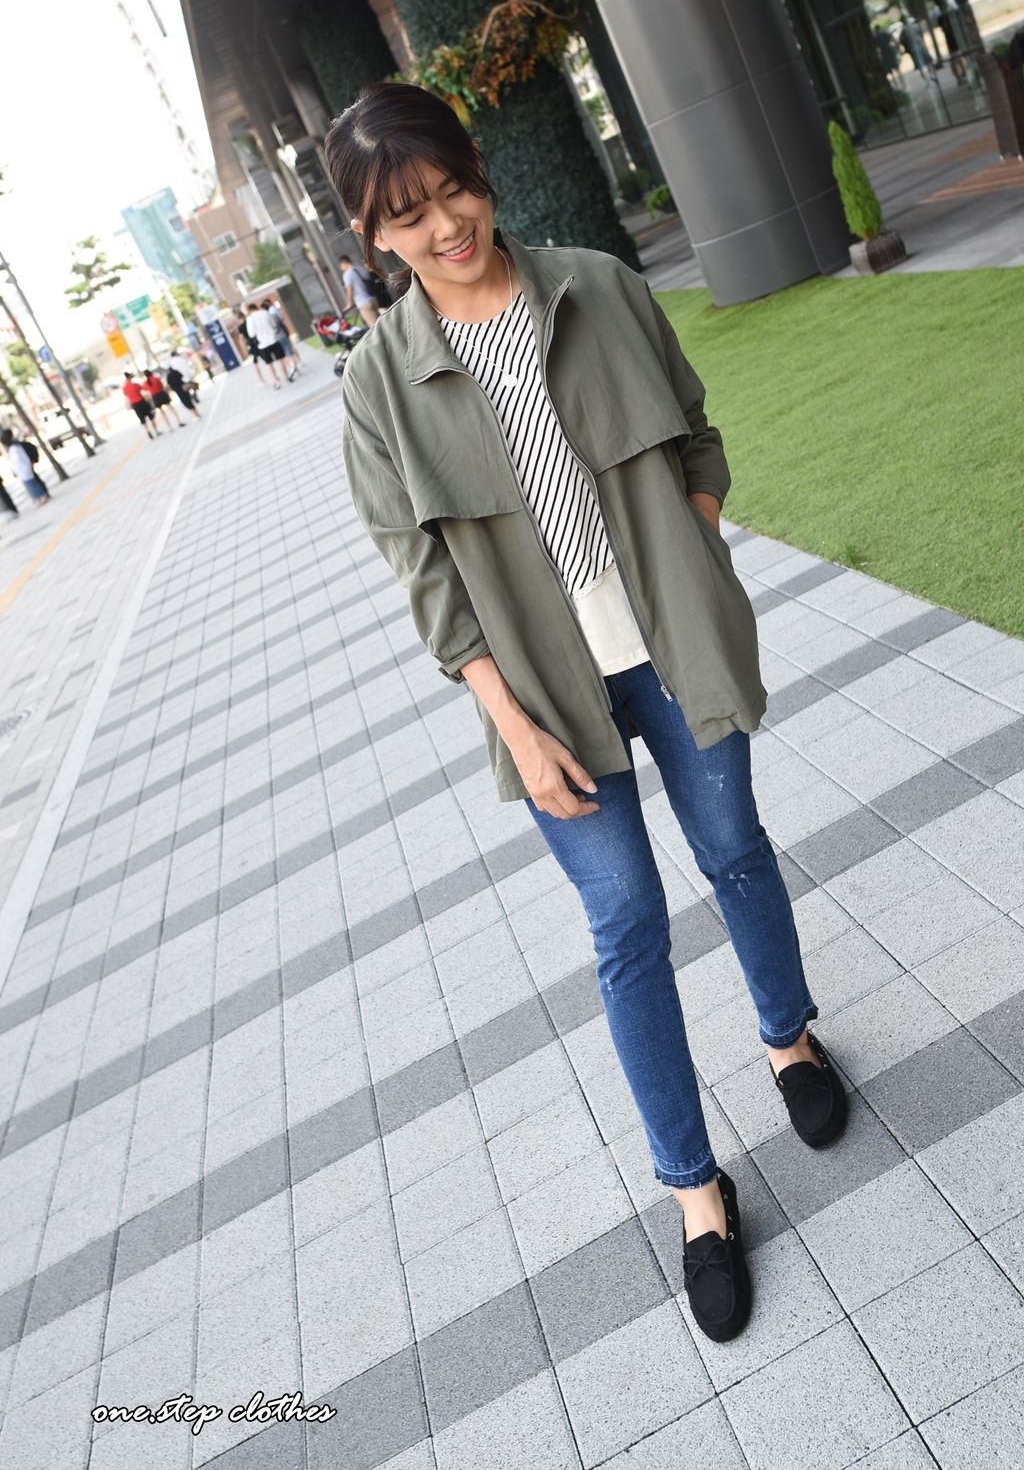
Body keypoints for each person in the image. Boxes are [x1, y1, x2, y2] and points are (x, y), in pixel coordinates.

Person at [325, 83, 848, 1346]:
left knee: (735, 850)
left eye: (453, 188)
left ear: (478, 169)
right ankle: (695, 1190)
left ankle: (788, 1039)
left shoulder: (598, 285)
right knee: (624, 921)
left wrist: (697, 550)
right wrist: (513, 725)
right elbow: (432, 584)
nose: (446, 224)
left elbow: (697, 434)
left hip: (672, 646)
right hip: (546, 696)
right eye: (409, 214)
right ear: (372, 236)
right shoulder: (376, 386)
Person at [0, 427, 49, 507]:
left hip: (23, 470)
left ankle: (40, 497)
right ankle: (41, 496)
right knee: (33, 483)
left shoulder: (14, 448)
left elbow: (16, 461)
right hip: (25, 468)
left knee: (31, 485)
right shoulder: (16, 446)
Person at [244, 302, 288, 386]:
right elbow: (274, 324)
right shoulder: (265, 313)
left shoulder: (250, 319)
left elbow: (251, 334)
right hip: (273, 339)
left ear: (249, 310)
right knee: (280, 359)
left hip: (262, 344)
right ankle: (286, 377)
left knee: (269, 364)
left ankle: (276, 381)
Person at [339, 252, 381, 328]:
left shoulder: (347, 274)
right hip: (373, 299)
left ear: (343, 263)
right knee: (380, 322)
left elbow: (349, 290)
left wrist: (349, 304)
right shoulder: (361, 268)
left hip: (363, 302)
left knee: (375, 327)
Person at [261, 298, 299, 379]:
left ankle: (292, 367)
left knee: (284, 354)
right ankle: (295, 366)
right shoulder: (273, 313)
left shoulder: (268, 316)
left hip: (276, 338)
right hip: (282, 334)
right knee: (289, 350)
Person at [122, 370, 157, 437]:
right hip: (142, 402)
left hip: (135, 405)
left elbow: (125, 394)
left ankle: (148, 431)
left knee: (142, 419)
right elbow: (143, 390)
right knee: (151, 416)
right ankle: (156, 431)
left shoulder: (124, 387)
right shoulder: (135, 384)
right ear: (130, 377)